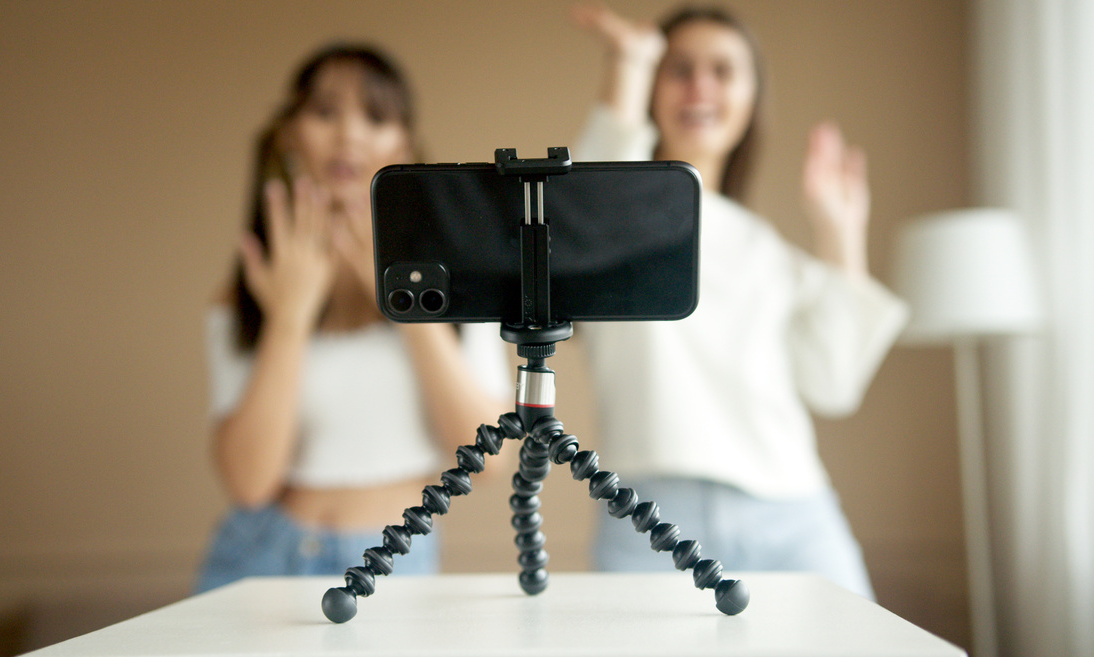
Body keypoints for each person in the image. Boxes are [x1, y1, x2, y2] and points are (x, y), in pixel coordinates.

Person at [569, 4, 909, 599]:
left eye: (723, 71)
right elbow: (590, 200)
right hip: (650, 517)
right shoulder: (615, 223)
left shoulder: (769, 252)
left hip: (793, 510)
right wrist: (628, 66)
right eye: (679, 69)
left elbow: (834, 383)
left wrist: (839, 230)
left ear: (751, 99)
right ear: (651, 88)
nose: (701, 86)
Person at [196, 44, 510, 593]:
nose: (349, 135)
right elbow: (249, 482)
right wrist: (289, 318)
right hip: (259, 558)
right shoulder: (248, 294)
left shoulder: (456, 282)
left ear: (405, 142)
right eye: (325, 112)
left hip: (393, 561)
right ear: (291, 134)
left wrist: (404, 301)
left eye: (376, 116)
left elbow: (491, 461)